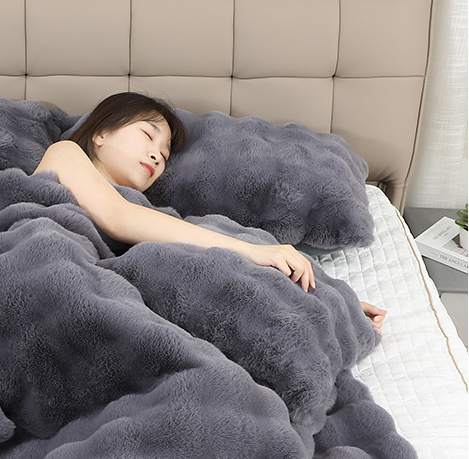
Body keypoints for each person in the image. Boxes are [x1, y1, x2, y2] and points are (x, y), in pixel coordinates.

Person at [34, 92, 387, 332]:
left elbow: (206, 259)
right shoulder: (66, 153)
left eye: (165, 153)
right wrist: (254, 251)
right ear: (100, 134)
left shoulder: (150, 215)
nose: (157, 155)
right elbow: (119, 218)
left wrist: (337, 302)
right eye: (147, 135)